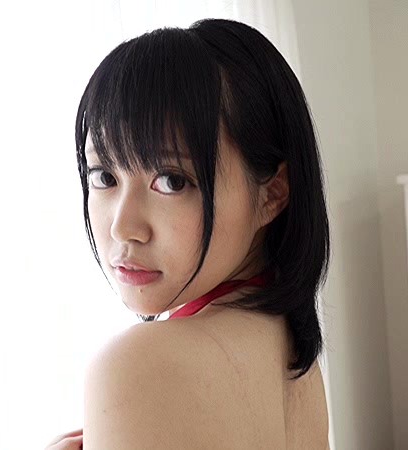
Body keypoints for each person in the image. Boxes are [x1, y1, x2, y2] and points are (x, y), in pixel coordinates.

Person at [47, 18, 331, 449]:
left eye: (172, 181)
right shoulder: (291, 353)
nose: (123, 227)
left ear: (272, 193)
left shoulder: (139, 367)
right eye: (104, 176)